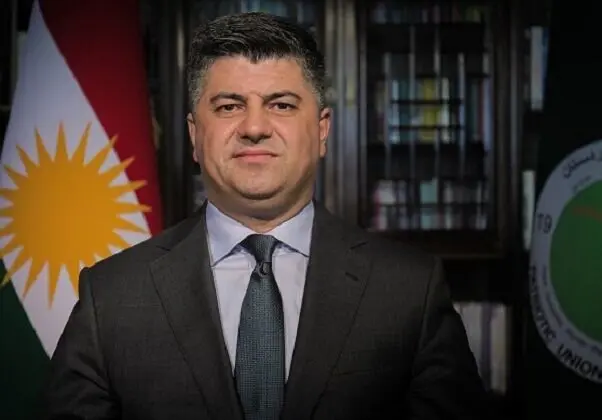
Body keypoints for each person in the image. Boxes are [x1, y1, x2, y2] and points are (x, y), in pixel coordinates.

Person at [44, 11, 489, 420]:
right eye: (229, 106)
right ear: (194, 136)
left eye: (281, 104)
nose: (254, 128)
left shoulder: (409, 291)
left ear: (321, 130)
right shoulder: (111, 296)